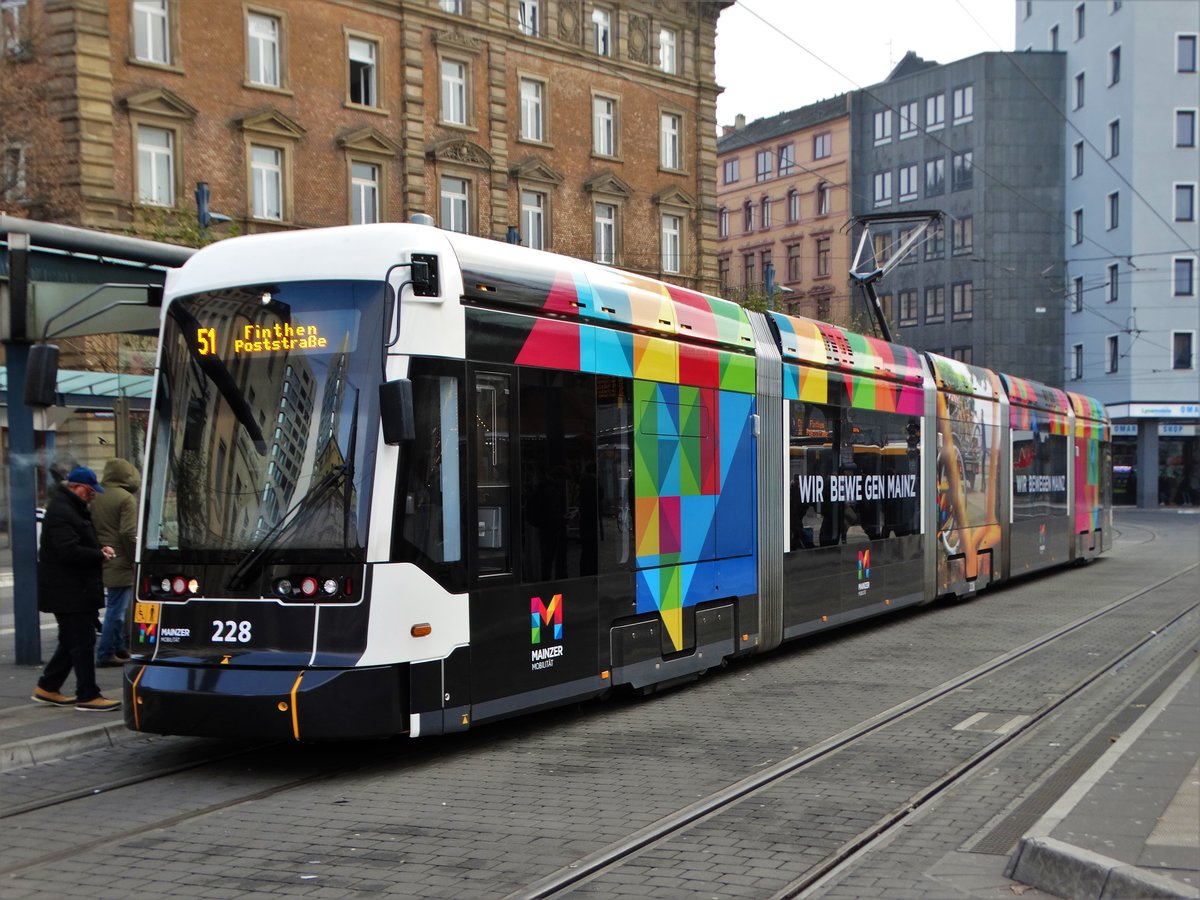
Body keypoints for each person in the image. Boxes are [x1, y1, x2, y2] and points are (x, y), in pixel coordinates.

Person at [30, 466, 122, 712]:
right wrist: (99, 555)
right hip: (69, 590)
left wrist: (99, 548)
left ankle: (48, 687)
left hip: (73, 588)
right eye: (89, 491)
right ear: (76, 487)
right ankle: (87, 695)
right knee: (82, 641)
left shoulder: (70, 508)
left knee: (71, 640)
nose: (92, 496)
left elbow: (76, 543)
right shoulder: (62, 511)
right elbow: (68, 551)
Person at [91, 458, 141, 667]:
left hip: (102, 555)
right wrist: (135, 557)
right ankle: (106, 653)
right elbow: (128, 532)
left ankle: (119, 648)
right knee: (117, 609)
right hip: (120, 558)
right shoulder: (126, 498)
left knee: (114, 605)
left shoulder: (97, 495)